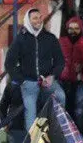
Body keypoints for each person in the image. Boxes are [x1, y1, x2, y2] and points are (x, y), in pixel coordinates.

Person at [7, 8, 66, 136]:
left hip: (48, 81)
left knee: (61, 96)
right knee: (30, 112)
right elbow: (9, 64)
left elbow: (60, 61)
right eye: (35, 18)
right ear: (28, 20)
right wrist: (22, 80)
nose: (38, 21)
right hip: (29, 83)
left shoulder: (50, 38)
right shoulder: (20, 39)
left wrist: (52, 76)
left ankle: (57, 133)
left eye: (40, 18)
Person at [60, 17, 83, 135]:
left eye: (76, 28)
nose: (73, 31)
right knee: (64, 110)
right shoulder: (60, 42)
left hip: (82, 81)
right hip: (64, 80)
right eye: (70, 28)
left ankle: (79, 136)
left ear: (81, 29)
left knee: (79, 110)